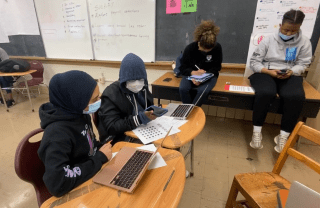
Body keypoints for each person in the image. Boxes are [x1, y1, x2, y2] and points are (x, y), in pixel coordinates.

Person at [38, 71, 112, 197]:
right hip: (75, 189)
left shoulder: (81, 113)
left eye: (98, 96)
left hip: (91, 172)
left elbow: (90, 146)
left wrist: (102, 150)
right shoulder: (56, 135)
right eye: (94, 99)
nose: (99, 101)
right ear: (77, 101)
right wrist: (100, 158)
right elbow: (57, 183)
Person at [249, 9, 311, 153]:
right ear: (280, 25)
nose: (289, 33)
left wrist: (292, 71)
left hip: (290, 74)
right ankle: (257, 132)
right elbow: (255, 62)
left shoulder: (305, 42)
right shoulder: (268, 40)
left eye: (293, 31)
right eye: (286, 29)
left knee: (295, 96)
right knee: (265, 92)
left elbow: (303, 63)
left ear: (299, 28)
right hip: (267, 72)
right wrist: (268, 71)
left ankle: (283, 136)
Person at [97, 53, 156, 144]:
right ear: (124, 79)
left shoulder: (143, 86)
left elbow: (149, 104)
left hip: (141, 129)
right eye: (132, 80)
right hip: (120, 138)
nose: (137, 83)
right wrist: (138, 119)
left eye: (140, 79)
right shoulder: (110, 94)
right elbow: (112, 127)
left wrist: (153, 112)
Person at [178, 20, 222, 106]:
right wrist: (193, 73)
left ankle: (192, 114)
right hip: (191, 75)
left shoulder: (217, 48)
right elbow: (183, 68)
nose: (204, 52)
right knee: (183, 88)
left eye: (207, 51)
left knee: (202, 91)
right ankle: (188, 111)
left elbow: (216, 67)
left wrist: (202, 78)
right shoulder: (190, 48)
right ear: (199, 43)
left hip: (209, 76)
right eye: (202, 50)